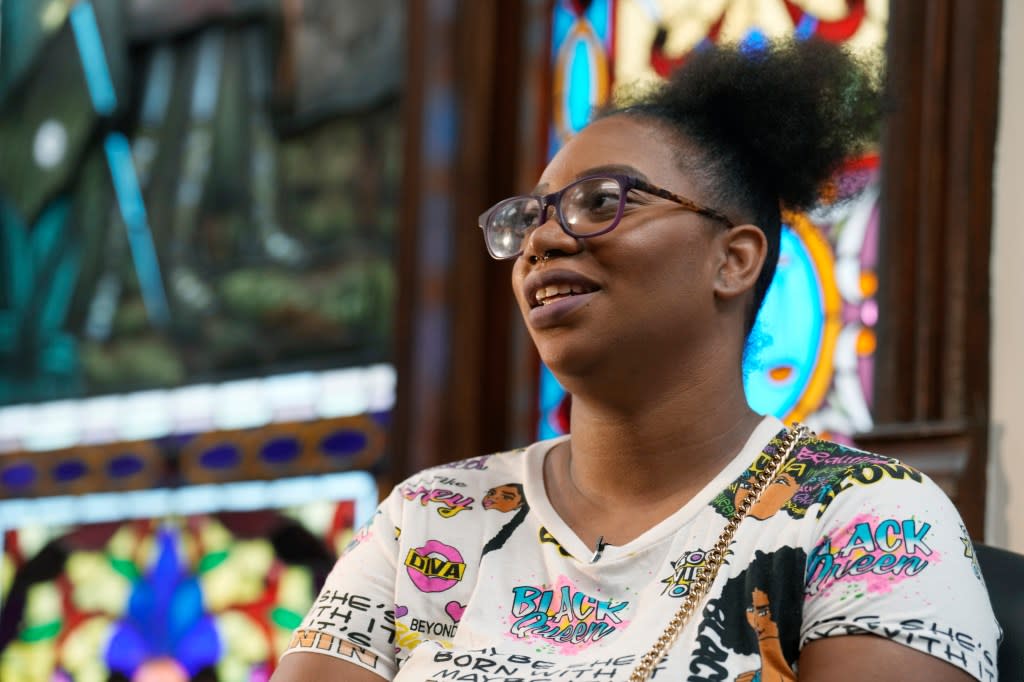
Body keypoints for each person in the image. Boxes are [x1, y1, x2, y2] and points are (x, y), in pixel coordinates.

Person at [271, 39, 1000, 682]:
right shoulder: (432, 518)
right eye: (529, 218)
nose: (542, 242)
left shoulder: (868, 518)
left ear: (733, 260)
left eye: (600, 202)